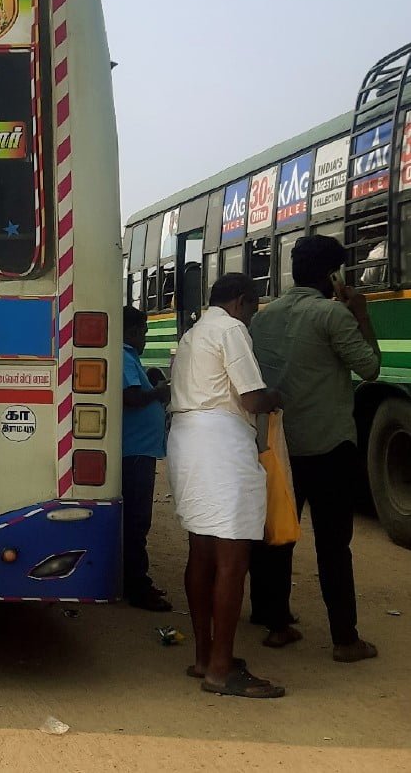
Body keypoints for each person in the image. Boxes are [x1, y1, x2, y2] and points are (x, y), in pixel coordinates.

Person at [248, 234, 381, 663]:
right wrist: (361, 313)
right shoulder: (332, 315)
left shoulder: (264, 318)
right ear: (333, 275)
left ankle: (277, 625)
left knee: (277, 535)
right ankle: (345, 639)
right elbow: (371, 368)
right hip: (328, 446)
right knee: (332, 544)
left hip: (280, 445)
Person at [167, 273, 284, 698]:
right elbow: (252, 398)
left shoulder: (192, 334)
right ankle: (221, 669)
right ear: (242, 301)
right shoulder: (231, 329)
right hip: (221, 446)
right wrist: (276, 398)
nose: (252, 319)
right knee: (233, 559)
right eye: (253, 309)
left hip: (187, 441)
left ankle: (204, 658)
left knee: (201, 551)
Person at [121, 305, 172, 611]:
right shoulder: (125, 355)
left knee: (135, 521)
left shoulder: (127, 356)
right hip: (135, 452)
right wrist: (160, 392)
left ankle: (134, 580)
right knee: (137, 522)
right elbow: (133, 398)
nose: (145, 341)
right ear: (133, 332)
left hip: (137, 450)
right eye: (144, 334)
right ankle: (138, 586)